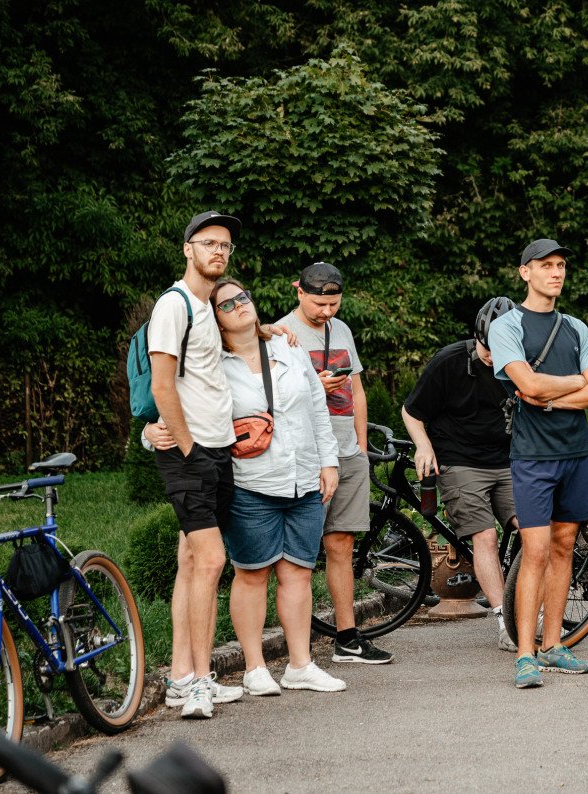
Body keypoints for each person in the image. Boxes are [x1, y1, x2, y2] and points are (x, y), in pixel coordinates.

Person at [212, 278, 347, 695]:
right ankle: (254, 668)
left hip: (303, 477)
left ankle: (300, 664)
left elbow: (317, 407)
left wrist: (329, 461)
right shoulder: (214, 362)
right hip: (251, 482)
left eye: (243, 297)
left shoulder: (288, 347)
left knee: (299, 574)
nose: (239, 306)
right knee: (252, 574)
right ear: (214, 320)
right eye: (227, 304)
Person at [488, 238, 588, 689]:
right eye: (546, 266)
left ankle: (554, 645)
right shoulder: (507, 326)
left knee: (564, 549)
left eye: (560, 265)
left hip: (577, 452)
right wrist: (574, 384)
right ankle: (524, 654)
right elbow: (526, 385)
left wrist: (553, 392)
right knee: (535, 552)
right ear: (525, 272)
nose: (556, 273)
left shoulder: (575, 326)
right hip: (533, 457)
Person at [147, 210, 247, 718]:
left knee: (191, 563)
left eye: (225, 246)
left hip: (217, 448)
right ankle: (203, 683)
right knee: (211, 562)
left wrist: (268, 329)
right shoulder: (175, 304)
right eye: (209, 243)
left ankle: (181, 677)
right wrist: (186, 448)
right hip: (191, 452)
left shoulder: (207, 308)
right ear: (188, 248)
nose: (218, 252)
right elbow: (162, 383)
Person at [277, 262, 392, 665]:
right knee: (301, 551)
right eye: (319, 304)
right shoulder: (281, 334)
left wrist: (360, 446)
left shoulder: (340, 330)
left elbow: (357, 390)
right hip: (306, 454)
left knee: (341, 544)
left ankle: (348, 639)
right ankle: (298, 645)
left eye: (334, 304)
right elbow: (272, 400)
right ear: (299, 291)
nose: (327, 312)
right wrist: (313, 386)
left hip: (347, 450)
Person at [401, 297, 522, 652]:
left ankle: (530, 611)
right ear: (476, 337)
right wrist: (424, 446)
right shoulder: (450, 361)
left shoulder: (522, 364)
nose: (492, 357)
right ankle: (504, 620)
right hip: (459, 460)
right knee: (483, 536)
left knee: (532, 530)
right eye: (486, 348)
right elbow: (411, 412)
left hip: (507, 460)